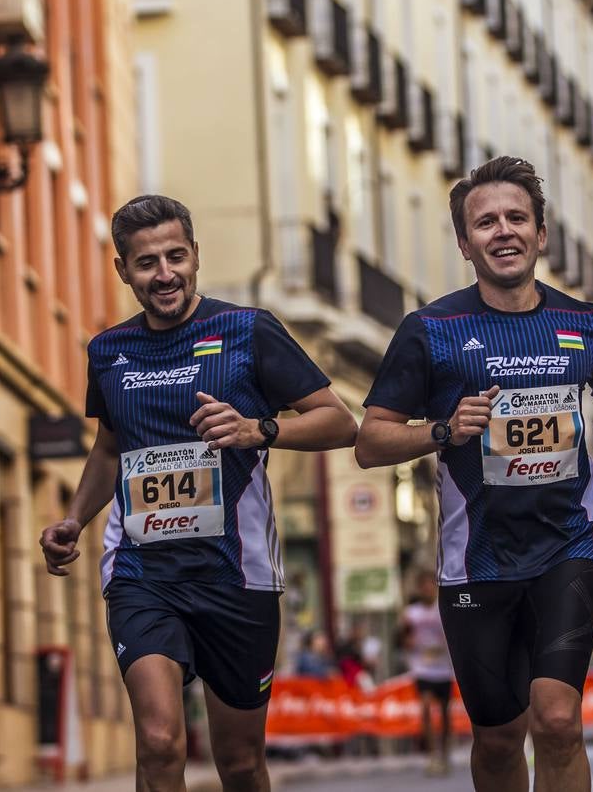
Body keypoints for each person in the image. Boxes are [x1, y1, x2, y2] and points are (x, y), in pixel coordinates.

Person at [38, 195, 358, 792]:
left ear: (195, 257)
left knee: (238, 764)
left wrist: (256, 429)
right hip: (142, 573)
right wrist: (74, 521)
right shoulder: (108, 352)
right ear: (123, 270)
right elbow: (111, 450)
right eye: (146, 262)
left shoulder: (248, 331)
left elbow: (341, 423)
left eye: (176, 257)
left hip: (238, 576)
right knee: (159, 743)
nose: (164, 275)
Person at [356, 156, 593, 792]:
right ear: (465, 243)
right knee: (495, 739)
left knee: (559, 719)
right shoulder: (430, 331)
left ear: (543, 234)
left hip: (570, 543)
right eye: (485, 222)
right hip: (477, 559)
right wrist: (442, 431)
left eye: (517, 217)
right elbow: (370, 443)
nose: (503, 231)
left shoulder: (586, 323)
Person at [400, 574, 455, 776]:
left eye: (430, 586)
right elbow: (403, 638)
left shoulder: (444, 608)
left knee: (445, 713)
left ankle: (445, 753)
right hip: (422, 668)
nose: (427, 591)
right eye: (423, 587)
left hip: (443, 668)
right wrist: (407, 641)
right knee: (425, 707)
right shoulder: (411, 613)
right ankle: (432, 754)